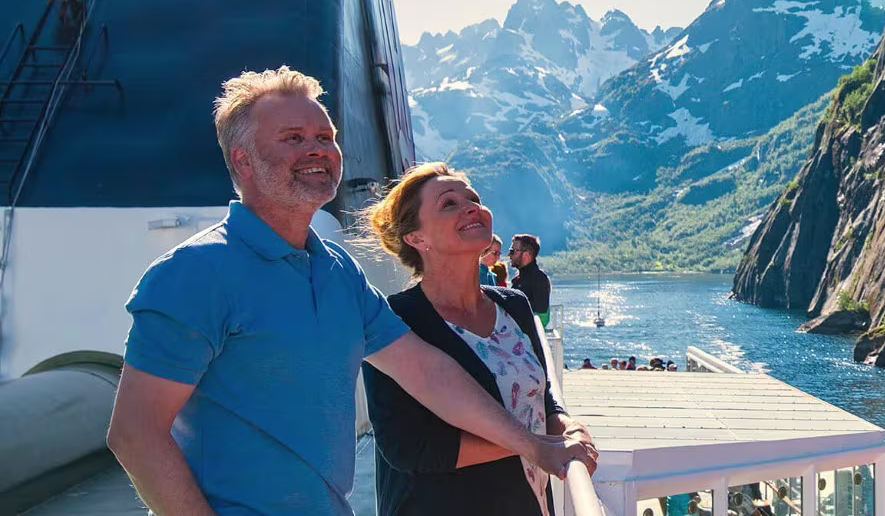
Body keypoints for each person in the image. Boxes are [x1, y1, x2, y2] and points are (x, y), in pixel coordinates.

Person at [106, 67, 590, 515]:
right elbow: (135, 434)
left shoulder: (338, 271)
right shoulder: (194, 272)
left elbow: (426, 371)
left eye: (325, 137)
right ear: (243, 160)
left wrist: (534, 444)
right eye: (293, 138)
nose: (317, 149)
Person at [361, 162, 596, 515]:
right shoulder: (395, 320)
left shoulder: (514, 306)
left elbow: (541, 398)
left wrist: (568, 428)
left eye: (473, 198)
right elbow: (409, 447)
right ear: (416, 237)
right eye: (449, 204)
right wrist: (537, 445)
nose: (472, 207)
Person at [509, 233, 551, 326]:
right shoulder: (518, 279)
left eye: (512, 251)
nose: (509, 254)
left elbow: (541, 308)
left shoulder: (539, 279)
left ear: (526, 255)